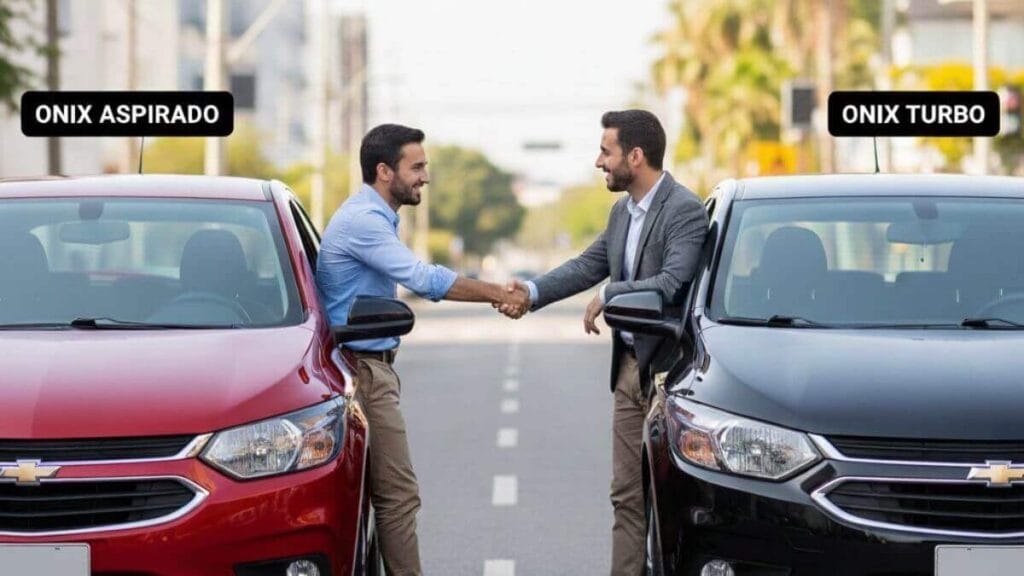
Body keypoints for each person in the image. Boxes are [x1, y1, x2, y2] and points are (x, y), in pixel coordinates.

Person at [499, 110, 708, 575]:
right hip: (631, 369)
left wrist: (610, 294)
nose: (599, 162)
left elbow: (671, 282)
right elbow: (586, 265)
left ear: (635, 156)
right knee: (626, 494)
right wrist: (528, 294)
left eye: (605, 151)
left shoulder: (684, 210)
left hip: (672, 376)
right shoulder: (622, 213)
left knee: (674, 500)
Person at [316, 123, 529, 576]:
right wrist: (499, 293)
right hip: (364, 374)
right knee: (397, 496)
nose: (425, 177)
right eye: (416, 167)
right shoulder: (363, 222)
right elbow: (423, 280)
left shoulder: (372, 217)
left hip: (366, 370)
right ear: (383, 171)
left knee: (374, 500)